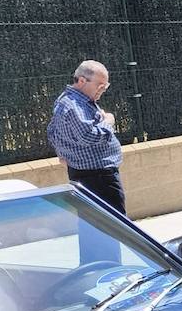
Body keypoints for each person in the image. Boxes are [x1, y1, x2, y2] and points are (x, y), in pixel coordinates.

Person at [47, 60, 126, 215]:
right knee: (116, 226)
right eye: (100, 85)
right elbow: (87, 135)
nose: (103, 90)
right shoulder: (73, 104)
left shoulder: (76, 101)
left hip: (93, 176)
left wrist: (62, 153)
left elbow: (52, 131)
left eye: (105, 86)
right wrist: (108, 121)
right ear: (82, 81)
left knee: (95, 226)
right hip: (97, 178)